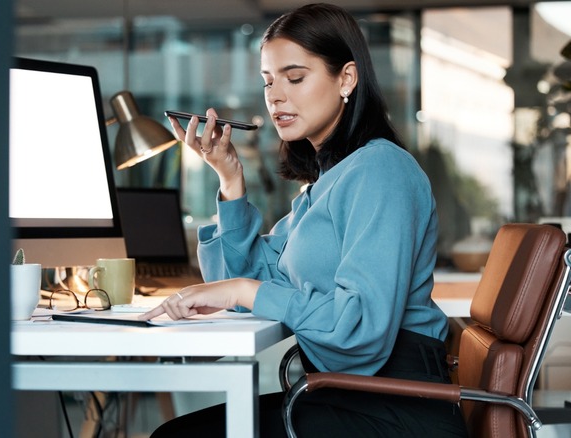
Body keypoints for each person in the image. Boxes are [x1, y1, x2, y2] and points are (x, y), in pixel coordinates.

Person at [140, 3, 468, 437]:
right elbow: (240, 282)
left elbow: (361, 332)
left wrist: (244, 289)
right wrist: (231, 179)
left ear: (346, 79)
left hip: (394, 409)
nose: (276, 96)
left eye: (295, 78)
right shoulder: (327, 181)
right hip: (344, 394)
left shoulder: (381, 172)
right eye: (268, 81)